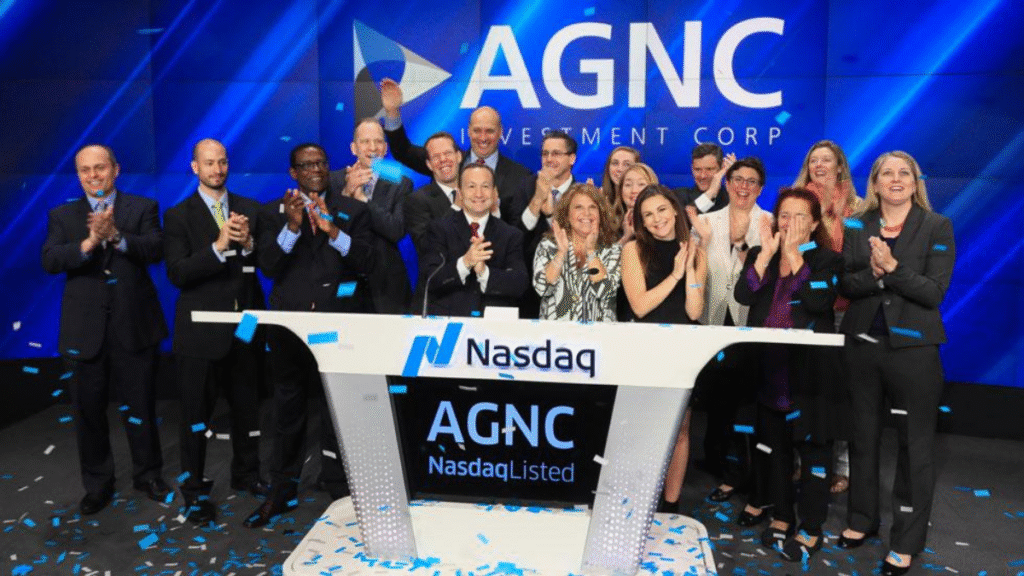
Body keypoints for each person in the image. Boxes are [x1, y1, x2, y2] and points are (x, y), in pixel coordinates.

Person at [837, 151, 955, 576]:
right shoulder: (857, 224)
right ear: (874, 182)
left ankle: (905, 541)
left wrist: (891, 268)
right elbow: (846, 283)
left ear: (916, 181)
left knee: (915, 445)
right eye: (887, 173)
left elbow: (933, 292)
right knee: (862, 437)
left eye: (905, 172)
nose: (896, 178)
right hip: (862, 346)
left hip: (914, 352)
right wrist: (874, 275)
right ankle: (861, 519)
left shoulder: (937, 226)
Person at [244, 143, 374, 528]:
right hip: (291, 331)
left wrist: (333, 230)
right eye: (306, 165)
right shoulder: (272, 212)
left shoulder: (353, 210)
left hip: (340, 326)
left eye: (320, 163)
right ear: (293, 173)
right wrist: (292, 226)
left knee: (340, 411)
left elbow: (366, 263)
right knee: (288, 412)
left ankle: (340, 488)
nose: (315, 169)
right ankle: (282, 490)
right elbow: (268, 266)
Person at [41, 144, 170, 515]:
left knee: (141, 407)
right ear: (78, 175)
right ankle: (98, 485)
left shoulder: (142, 207)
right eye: (85, 170)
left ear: (116, 169)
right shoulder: (62, 215)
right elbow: (50, 260)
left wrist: (116, 236)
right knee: (88, 414)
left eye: (100, 168)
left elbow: (155, 250)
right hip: (84, 332)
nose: (93, 175)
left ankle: (148, 475)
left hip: (134, 325)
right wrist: (89, 242)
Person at [734, 187, 844, 562]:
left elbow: (817, 301)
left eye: (800, 217)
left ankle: (811, 527)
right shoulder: (760, 253)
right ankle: (781, 515)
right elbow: (744, 295)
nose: (790, 223)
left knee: (814, 455)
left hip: (810, 375)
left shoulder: (828, 260)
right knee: (775, 451)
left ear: (813, 224)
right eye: (784, 215)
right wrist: (766, 254)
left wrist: (795, 255)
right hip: (768, 369)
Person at [163, 139, 268, 523]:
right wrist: (218, 246)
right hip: (200, 331)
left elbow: (267, 263)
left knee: (247, 409)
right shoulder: (178, 216)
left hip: (246, 325)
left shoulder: (250, 209)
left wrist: (250, 243)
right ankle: (193, 492)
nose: (217, 169)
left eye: (222, 162)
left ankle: (247, 474)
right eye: (209, 163)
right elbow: (178, 273)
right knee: (195, 417)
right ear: (195, 167)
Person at [621, 185, 707, 512]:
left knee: (680, 428)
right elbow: (640, 306)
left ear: (674, 210)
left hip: (682, 349)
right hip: (646, 347)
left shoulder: (696, 252)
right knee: (644, 428)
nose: (657, 219)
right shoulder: (633, 250)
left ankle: (671, 504)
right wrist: (674, 275)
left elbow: (694, 311)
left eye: (661, 210)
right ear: (641, 222)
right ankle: (640, 498)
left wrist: (690, 270)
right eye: (648, 215)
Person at [692, 158, 770, 516]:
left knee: (744, 400)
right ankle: (718, 462)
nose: (743, 187)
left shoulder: (770, 222)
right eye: (738, 179)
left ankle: (741, 471)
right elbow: (693, 266)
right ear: (727, 184)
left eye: (751, 181)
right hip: (709, 318)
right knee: (714, 398)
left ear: (760, 188)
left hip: (749, 321)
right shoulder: (707, 221)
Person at [793, 139, 859, 494]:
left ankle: (841, 466)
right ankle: (802, 461)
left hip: (846, 309)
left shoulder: (858, 208)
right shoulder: (796, 203)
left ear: (839, 166)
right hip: (807, 307)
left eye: (826, 160)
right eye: (813, 160)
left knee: (842, 390)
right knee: (804, 387)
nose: (819, 165)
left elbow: (859, 258)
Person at [379, 78, 532, 227]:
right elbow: (403, 151)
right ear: (469, 131)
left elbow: (519, 230)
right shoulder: (446, 162)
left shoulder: (520, 177)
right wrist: (392, 112)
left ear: (500, 132)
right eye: (477, 131)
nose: (483, 138)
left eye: (489, 131)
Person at [329, 118, 414, 314]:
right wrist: (347, 195)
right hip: (343, 278)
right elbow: (328, 227)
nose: (373, 148)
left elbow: (396, 230)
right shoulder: (333, 181)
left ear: (385, 148)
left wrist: (362, 200)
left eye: (378, 142)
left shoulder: (401, 183)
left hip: (386, 285)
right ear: (354, 148)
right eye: (365, 141)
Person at [420, 163, 528, 317]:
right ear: (460, 193)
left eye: (485, 186)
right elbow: (431, 280)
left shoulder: (511, 235)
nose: (479, 194)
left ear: (494, 192)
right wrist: (465, 262)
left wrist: (484, 273)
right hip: (450, 322)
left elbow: (519, 284)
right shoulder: (439, 229)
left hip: (494, 325)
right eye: (471, 186)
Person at [532, 183, 622, 321]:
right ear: (567, 215)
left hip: (599, 333)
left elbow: (605, 292)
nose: (587, 213)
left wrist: (591, 252)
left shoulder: (613, 249)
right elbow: (542, 288)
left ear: (601, 214)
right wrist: (561, 253)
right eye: (578, 207)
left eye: (592, 207)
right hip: (556, 333)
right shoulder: (548, 246)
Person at [404, 131, 463, 255]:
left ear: (458, 156)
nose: (443, 160)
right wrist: (456, 208)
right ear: (429, 164)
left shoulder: (478, 191)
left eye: (447, 153)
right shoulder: (417, 201)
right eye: (436, 157)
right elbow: (426, 246)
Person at [673, 143, 736, 214]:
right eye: (698, 169)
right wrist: (711, 192)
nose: (703, 176)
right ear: (692, 169)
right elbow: (685, 218)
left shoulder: (732, 199)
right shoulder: (678, 197)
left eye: (709, 169)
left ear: (721, 169)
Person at [617, 163, 659, 246]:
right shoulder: (611, 225)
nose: (634, 190)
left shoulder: (661, 223)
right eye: (628, 185)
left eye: (641, 184)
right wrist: (626, 237)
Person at [599, 146, 640, 230]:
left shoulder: (641, 201)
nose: (619, 169)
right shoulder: (601, 199)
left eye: (627, 164)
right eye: (615, 163)